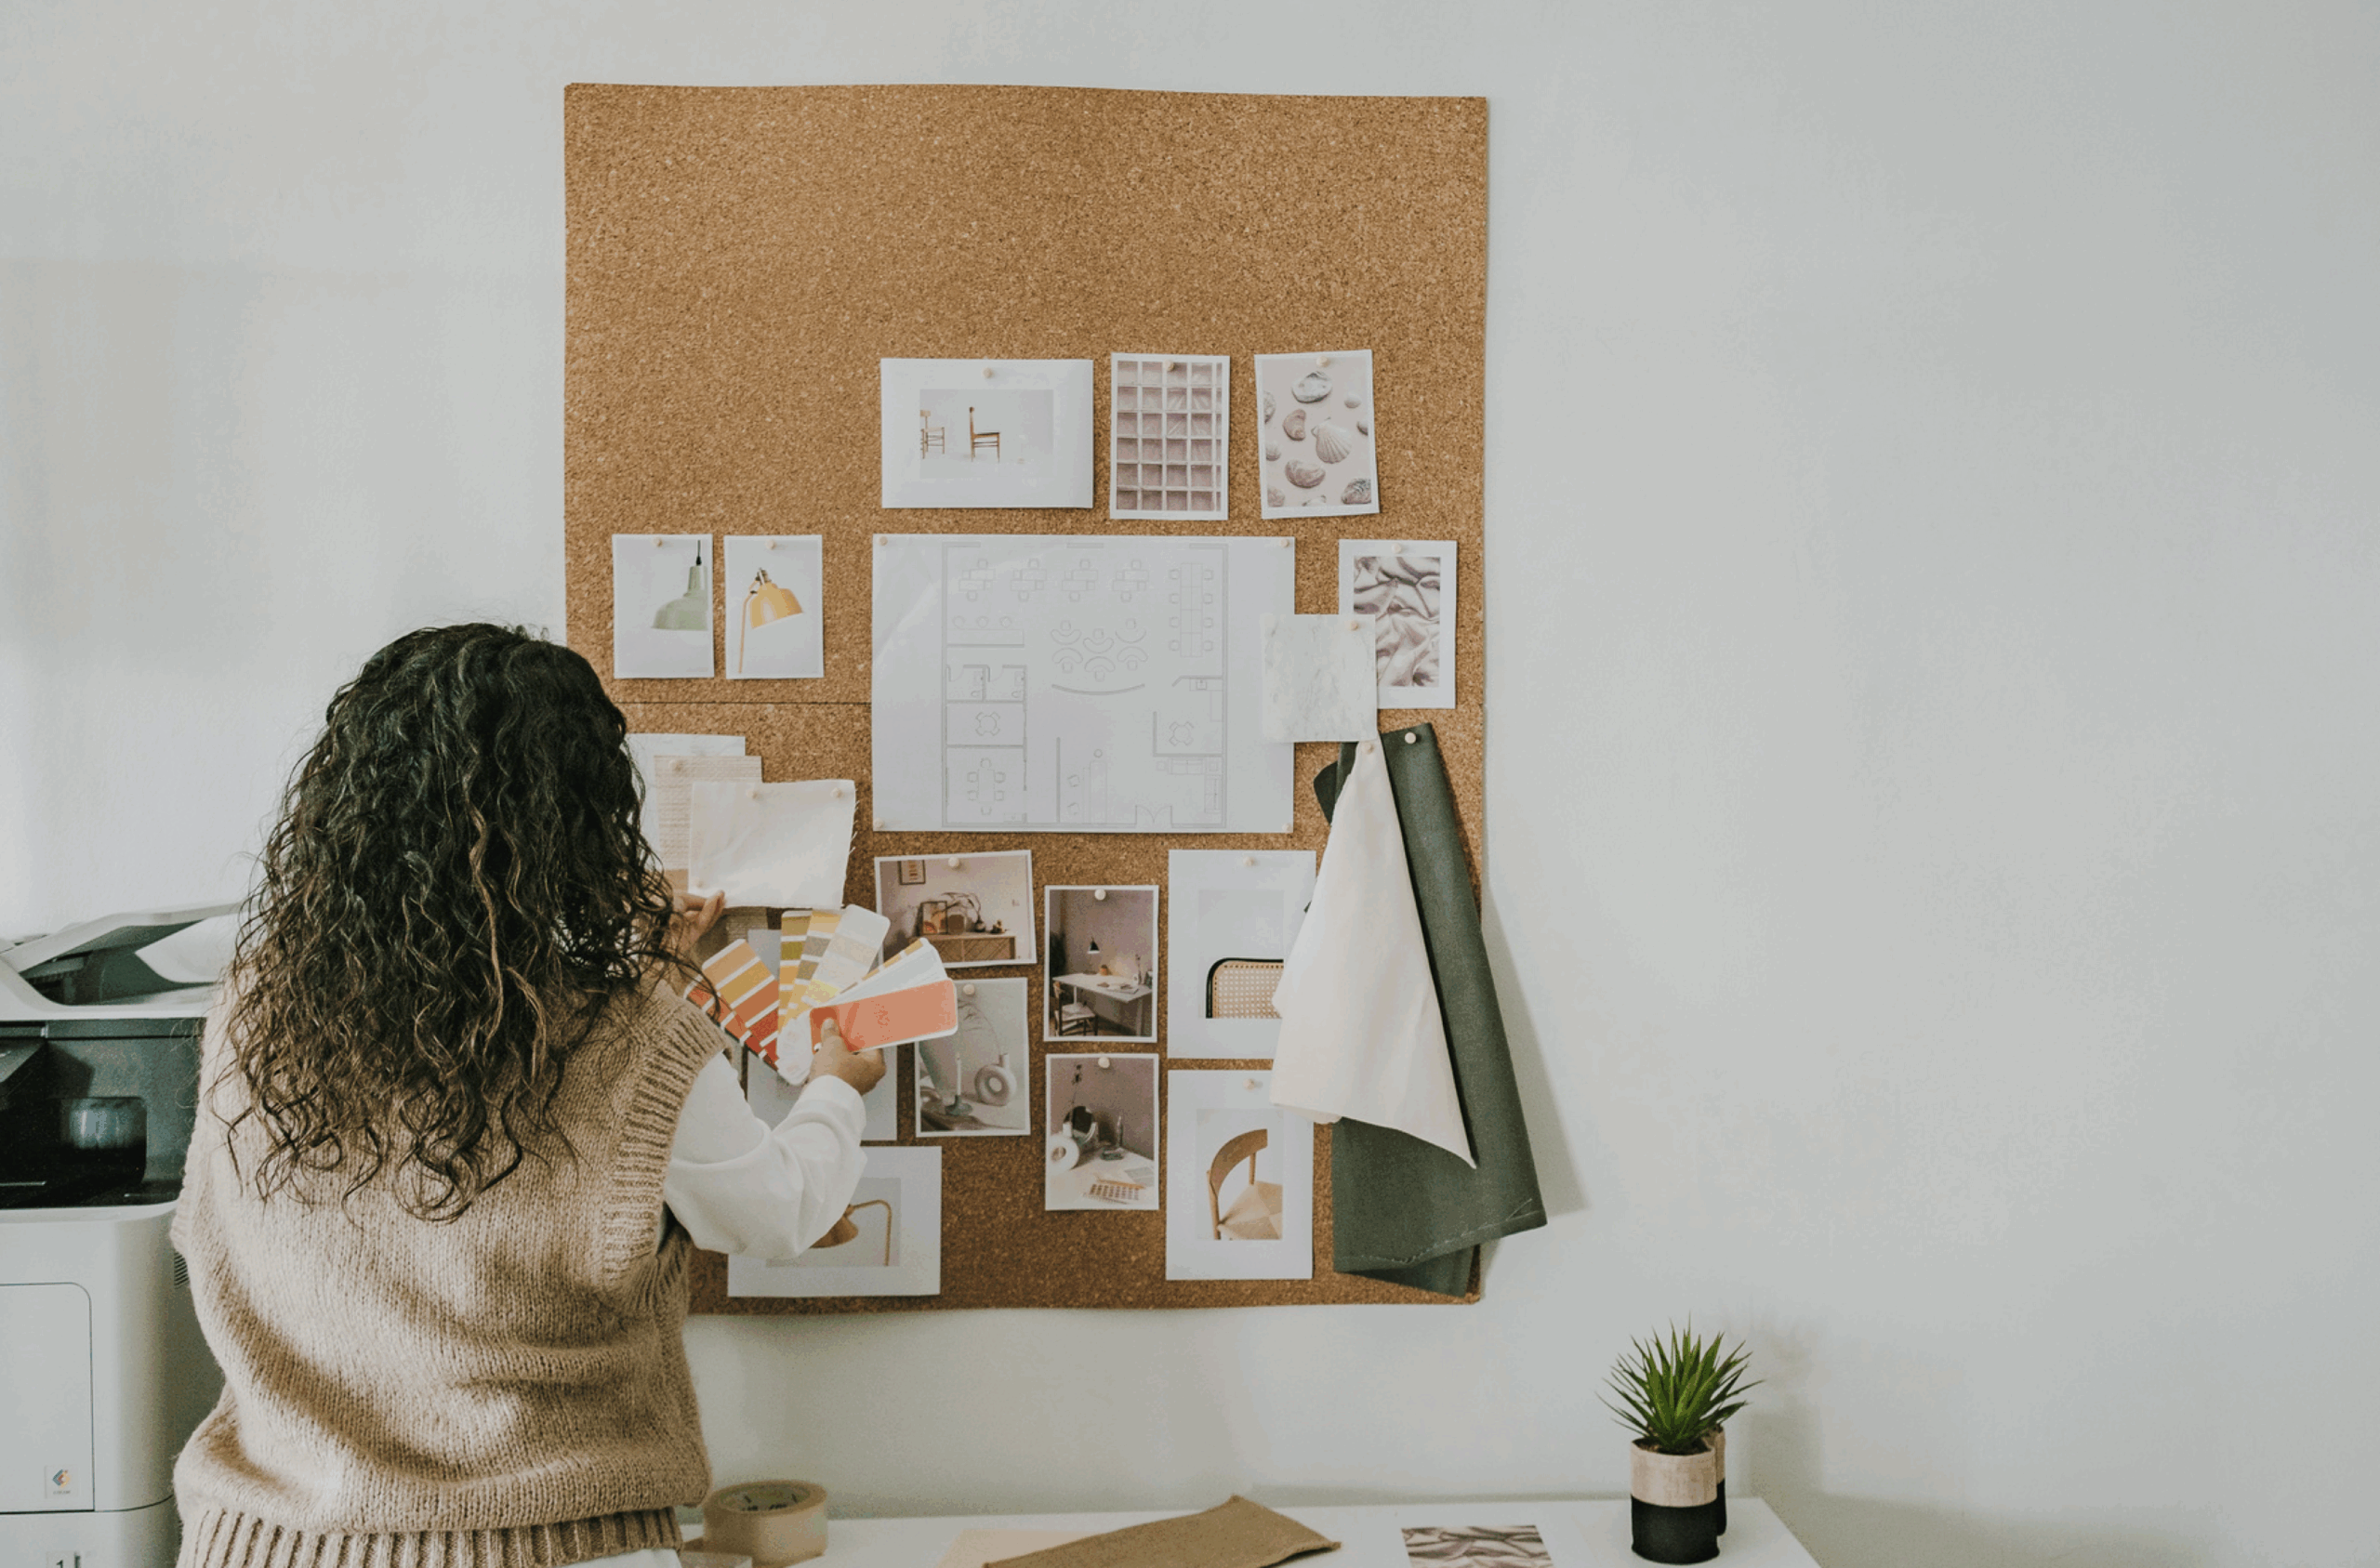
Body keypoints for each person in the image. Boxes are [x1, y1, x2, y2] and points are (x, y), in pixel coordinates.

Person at [169, 625, 885, 1568]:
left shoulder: (253, 1007)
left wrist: (651, 988)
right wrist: (835, 1085)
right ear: (582, 824)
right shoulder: (627, 1036)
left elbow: (222, 1231)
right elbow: (782, 1208)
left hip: (270, 1544)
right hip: (548, 1546)